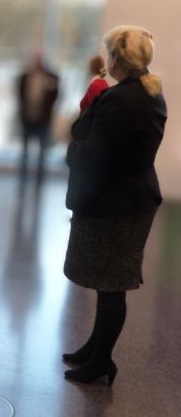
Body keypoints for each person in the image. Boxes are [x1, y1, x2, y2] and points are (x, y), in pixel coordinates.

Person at [62, 26, 166, 385]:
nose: (107, 59)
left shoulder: (119, 99)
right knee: (109, 285)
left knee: (110, 286)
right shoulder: (150, 93)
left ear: (118, 59)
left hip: (115, 203)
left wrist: (71, 150)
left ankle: (102, 359)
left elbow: (91, 151)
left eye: (109, 53)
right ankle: (95, 348)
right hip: (131, 199)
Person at [17, 51, 59, 185]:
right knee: (25, 151)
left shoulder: (51, 77)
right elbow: (20, 93)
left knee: (42, 152)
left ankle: (40, 180)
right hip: (27, 119)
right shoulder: (25, 76)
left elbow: (55, 95)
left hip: (42, 120)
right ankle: (23, 178)